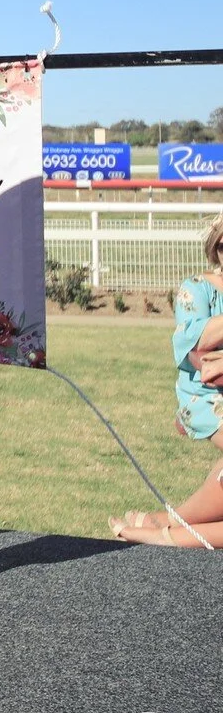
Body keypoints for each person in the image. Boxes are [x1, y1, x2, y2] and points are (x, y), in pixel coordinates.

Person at [109, 212, 223, 547]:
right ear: (217, 247)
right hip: (206, 398)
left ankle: (165, 527)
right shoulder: (196, 289)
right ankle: (166, 532)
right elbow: (198, 351)